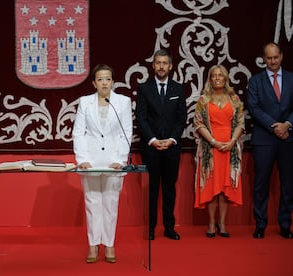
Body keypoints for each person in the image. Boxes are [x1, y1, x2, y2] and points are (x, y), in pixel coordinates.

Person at [72, 64, 132, 263]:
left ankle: (109, 244)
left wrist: (120, 160)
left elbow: (126, 133)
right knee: (92, 203)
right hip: (91, 161)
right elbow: (79, 133)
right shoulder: (85, 102)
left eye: (108, 79)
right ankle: (92, 244)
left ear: (113, 81)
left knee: (110, 204)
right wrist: (82, 160)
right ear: (94, 83)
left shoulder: (122, 102)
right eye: (100, 79)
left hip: (114, 161)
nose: (104, 82)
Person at [136, 49, 187, 240]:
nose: (161, 66)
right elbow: (141, 118)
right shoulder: (144, 88)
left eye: (165, 63)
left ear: (171, 66)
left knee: (169, 188)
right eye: (158, 63)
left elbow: (182, 118)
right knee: (152, 189)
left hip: (172, 147)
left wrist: (172, 139)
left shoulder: (178, 88)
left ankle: (169, 228)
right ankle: (150, 229)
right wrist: (153, 140)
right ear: (153, 65)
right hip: (151, 148)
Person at [247, 42, 293, 239]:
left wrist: (288, 124)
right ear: (263, 59)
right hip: (264, 138)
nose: (273, 61)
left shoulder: (292, 78)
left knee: (288, 184)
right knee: (261, 185)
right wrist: (276, 126)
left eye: (276, 57)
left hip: (289, 138)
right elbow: (254, 108)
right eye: (269, 58)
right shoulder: (255, 81)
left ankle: (285, 225)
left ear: (281, 56)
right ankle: (260, 225)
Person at [193, 65, 245, 238]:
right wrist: (214, 142)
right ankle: (210, 223)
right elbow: (199, 124)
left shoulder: (234, 99)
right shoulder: (203, 100)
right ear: (210, 79)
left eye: (220, 76)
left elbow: (240, 123)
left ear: (225, 79)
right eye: (213, 75)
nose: (217, 78)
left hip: (229, 149)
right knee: (212, 188)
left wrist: (231, 142)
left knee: (225, 188)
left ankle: (222, 223)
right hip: (211, 149)